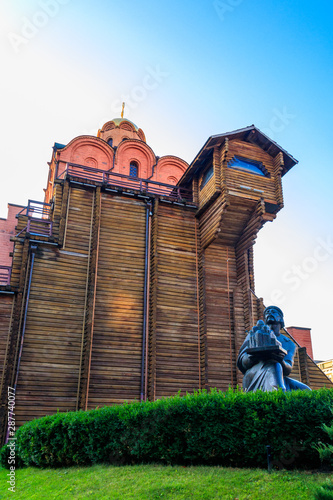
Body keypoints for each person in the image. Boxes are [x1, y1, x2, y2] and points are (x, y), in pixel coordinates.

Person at [237, 306, 311, 392]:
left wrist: (281, 360)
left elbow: (288, 369)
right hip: (255, 372)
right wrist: (253, 356)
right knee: (274, 365)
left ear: (281, 319)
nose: (269, 313)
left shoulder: (289, 343)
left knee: (305, 390)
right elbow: (242, 361)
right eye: (267, 312)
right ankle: (279, 396)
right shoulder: (255, 334)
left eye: (273, 311)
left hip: (279, 374)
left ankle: (279, 391)